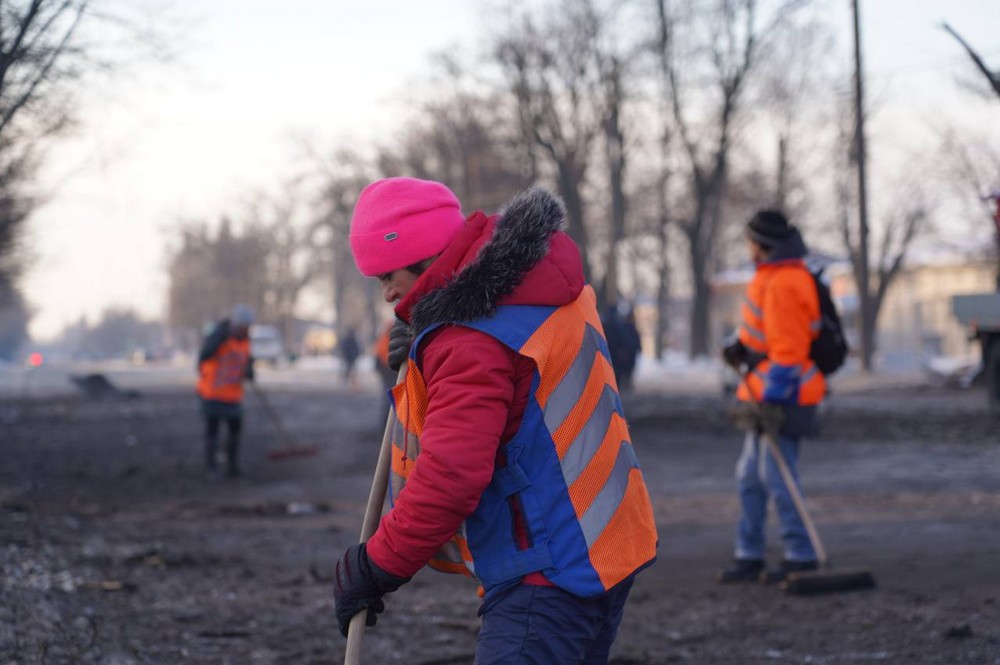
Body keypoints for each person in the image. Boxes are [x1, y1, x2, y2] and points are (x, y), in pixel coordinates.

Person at [333, 177, 658, 664]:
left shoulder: (470, 339)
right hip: (603, 544)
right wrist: (425, 333)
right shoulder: (541, 288)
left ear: (421, 253)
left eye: (386, 276)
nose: (386, 295)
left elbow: (450, 476)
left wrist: (376, 565)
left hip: (547, 574)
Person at [718, 210, 825, 585]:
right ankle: (749, 553)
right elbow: (766, 336)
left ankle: (801, 553)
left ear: (761, 243)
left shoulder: (784, 283)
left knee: (776, 475)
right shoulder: (772, 277)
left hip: (786, 395)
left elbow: (790, 351)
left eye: (749, 239)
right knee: (750, 476)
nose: (747, 246)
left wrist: (773, 397)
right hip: (768, 391)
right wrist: (742, 348)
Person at [197, 304, 255, 479]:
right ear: (236, 324)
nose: (246, 330)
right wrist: (218, 339)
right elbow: (203, 356)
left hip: (233, 395)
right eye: (244, 326)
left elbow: (248, 364)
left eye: (248, 327)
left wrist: (249, 372)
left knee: (235, 431)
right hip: (212, 394)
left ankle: (232, 467)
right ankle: (211, 468)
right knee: (212, 432)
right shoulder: (218, 336)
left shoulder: (245, 342)